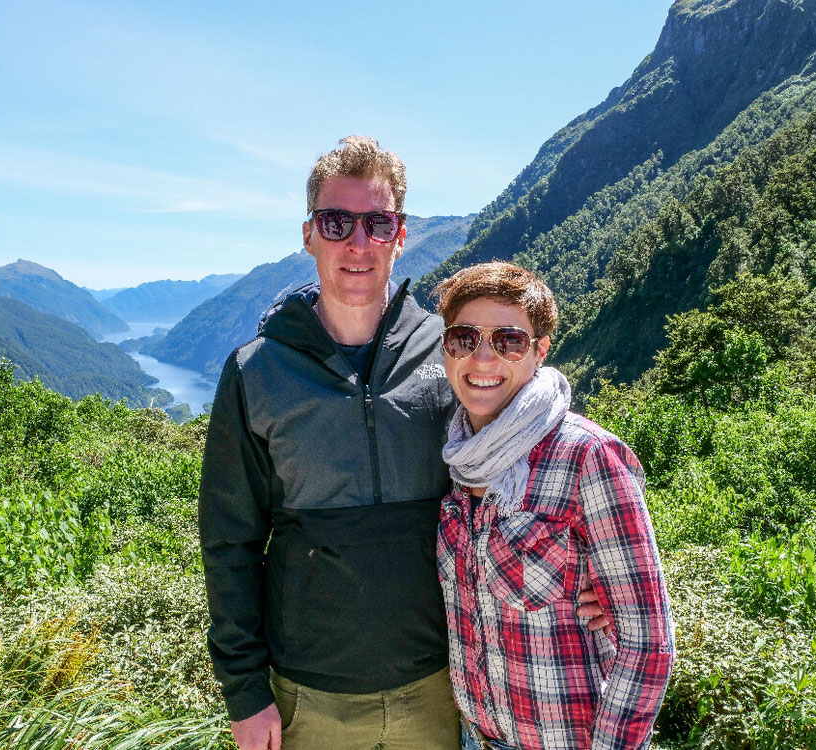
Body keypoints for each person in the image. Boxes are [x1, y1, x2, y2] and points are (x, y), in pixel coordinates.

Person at [198, 137, 611, 750]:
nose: (357, 243)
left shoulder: (451, 350)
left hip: (444, 686)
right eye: (337, 222)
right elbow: (229, 539)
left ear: (401, 234)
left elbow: (523, 454)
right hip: (308, 695)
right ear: (309, 234)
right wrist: (244, 690)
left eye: (376, 222)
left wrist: (588, 572)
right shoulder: (258, 371)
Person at [433, 262, 675, 750]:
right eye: (464, 338)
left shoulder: (587, 457)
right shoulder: (456, 461)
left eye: (509, 341)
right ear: (447, 347)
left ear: (539, 351)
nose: (483, 359)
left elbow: (648, 642)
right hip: (475, 738)